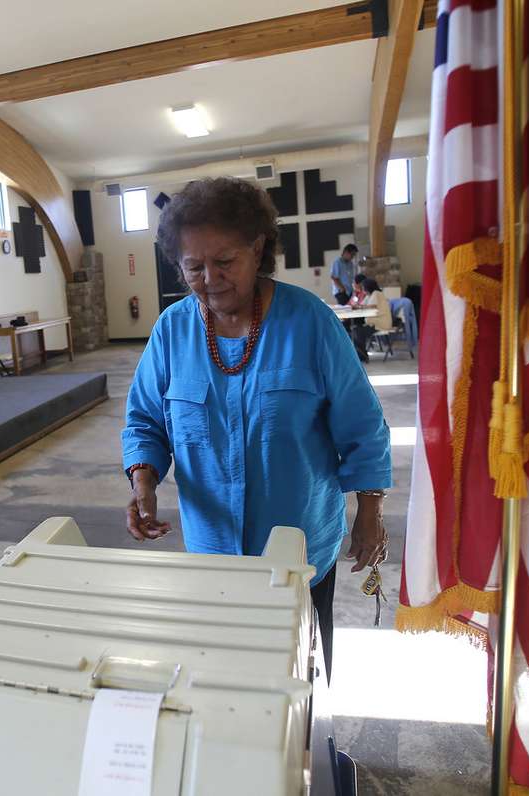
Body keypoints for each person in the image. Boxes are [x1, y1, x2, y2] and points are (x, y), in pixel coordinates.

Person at [122, 178, 392, 680]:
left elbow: (362, 424)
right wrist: (143, 482)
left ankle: (312, 752)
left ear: (258, 248)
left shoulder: (309, 322)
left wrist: (370, 511)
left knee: (303, 669)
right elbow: (144, 417)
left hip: (300, 545)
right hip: (212, 549)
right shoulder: (172, 330)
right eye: (194, 267)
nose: (211, 278)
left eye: (225, 261)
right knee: (224, 668)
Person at [352, 278, 393, 355]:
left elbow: (372, 306)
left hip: (381, 323)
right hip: (375, 322)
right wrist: (358, 306)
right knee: (356, 329)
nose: (362, 288)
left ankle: (362, 355)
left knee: (358, 331)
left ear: (367, 287)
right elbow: (362, 305)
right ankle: (361, 353)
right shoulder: (369, 295)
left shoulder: (377, 293)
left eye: (363, 287)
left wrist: (359, 307)